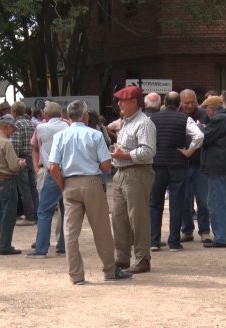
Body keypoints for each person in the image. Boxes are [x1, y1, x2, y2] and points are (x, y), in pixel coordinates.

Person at [49, 100, 133, 284]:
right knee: (101, 229)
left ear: (69, 116)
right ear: (86, 115)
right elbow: (105, 166)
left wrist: (63, 185)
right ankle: (110, 270)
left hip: (69, 183)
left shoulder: (60, 136)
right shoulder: (95, 135)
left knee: (70, 232)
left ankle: (76, 275)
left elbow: (53, 166)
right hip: (92, 182)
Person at [150, 91, 204, 252]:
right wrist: (189, 151)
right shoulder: (185, 118)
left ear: (164, 103)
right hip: (178, 164)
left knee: (155, 203)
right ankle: (174, 241)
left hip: (157, 163)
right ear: (179, 103)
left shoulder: (152, 119)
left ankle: (154, 240)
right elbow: (199, 135)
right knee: (176, 202)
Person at [110, 86, 156, 274]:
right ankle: (122, 259)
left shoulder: (144, 123)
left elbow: (148, 151)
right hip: (122, 172)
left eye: (123, 100)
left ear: (135, 102)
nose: (119, 103)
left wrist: (125, 154)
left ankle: (142, 259)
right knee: (119, 218)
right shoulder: (126, 122)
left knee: (137, 218)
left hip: (137, 173)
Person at [26, 102, 68, 258]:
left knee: (44, 211)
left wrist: (37, 168)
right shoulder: (67, 127)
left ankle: (41, 249)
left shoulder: (41, 128)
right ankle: (63, 246)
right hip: (67, 172)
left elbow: (35, 147)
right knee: (66, 211)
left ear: (45, 114)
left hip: (50, 171)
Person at [199, 96, 226, 247]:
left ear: (211, 109)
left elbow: (205, 137)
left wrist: (199, 127)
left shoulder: (218, 120)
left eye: (206, 110)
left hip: (217, 166)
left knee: (216, 203)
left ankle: (221, 237)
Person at [0, 114, 27, 255]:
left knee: (3, 213)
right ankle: (5, 246)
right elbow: (14, 166)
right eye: (12, 129)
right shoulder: (6, 143)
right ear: (7, 127)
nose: (13, 132)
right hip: (7, 181)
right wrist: (20, 163)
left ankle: (4, 244)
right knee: (9, 215)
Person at [178, 89, 211, 243]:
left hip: (200, 164)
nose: (190, 105)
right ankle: (186, 230)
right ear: (180, 102)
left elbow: (210, 135)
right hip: (181, 164)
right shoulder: (176, 114)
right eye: (186, 102)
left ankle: (204, 231)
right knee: (184, 200)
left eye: (193, 102)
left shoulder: (205, 114)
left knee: (203, 200)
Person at [11, 101, 39, 226]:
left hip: (21, 158)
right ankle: (37, 214)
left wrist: (14, 160)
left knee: (25, 189)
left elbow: (16, 144)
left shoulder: (17, 124)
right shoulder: (31, 123)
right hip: (32, 157)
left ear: (14, 112)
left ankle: (29, 216)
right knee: (33, 187)